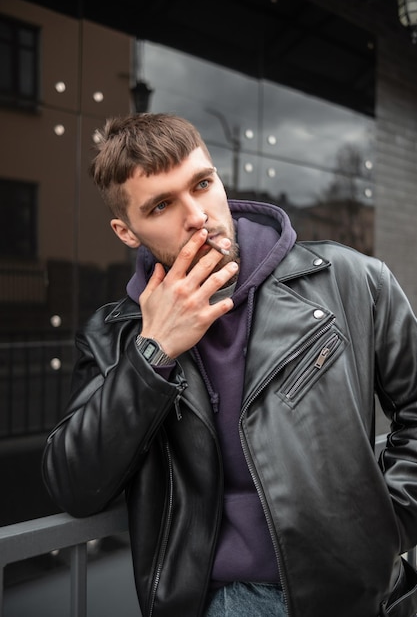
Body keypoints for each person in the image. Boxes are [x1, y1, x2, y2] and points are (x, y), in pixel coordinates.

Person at [42, 112, 417, 617]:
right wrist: (154, 352)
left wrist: (389, 524)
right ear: (126, 231)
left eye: (202, 183)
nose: (196, 214)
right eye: (161, 205)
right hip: (223, 602)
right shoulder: (114, 336)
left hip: (360, 593)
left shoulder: (348, 278)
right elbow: (74, 483)